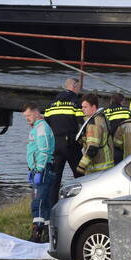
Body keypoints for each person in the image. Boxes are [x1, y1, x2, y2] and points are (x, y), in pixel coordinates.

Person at [44, 77, 85, 204]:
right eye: (79, 87)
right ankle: (81, 203)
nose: (79, 90)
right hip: (71, 144)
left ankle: (52, 207)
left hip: (55, 144)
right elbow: (81, 124)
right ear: (74, 86)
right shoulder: (75, 102)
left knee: (55, 178)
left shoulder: (51, 104)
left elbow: (46, 124)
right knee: (81, 176)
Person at [24, 104, 56, 243]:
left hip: (42, 170)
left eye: (29, 115)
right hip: (39, 169)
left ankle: (36, 234)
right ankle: (48, 236)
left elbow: (44, 150)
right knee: (45, 203)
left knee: (39, 203)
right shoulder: (37, 128)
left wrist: (38, 170)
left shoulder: (41, 128)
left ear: (37, 113)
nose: (27, 119)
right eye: (25, 116)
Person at [76, 92, 114, 176]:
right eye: (82, 107)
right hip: (106, 164)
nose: (82, 109)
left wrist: (82, 166)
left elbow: (92, 147)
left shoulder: (94, 123)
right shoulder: (102, 117)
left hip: (97, 167)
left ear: (93, 107)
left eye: (85, 107)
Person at [102, 93, 131, 163]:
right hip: (124, 145)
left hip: (109, 146)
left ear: (111, 101)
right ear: (122, 101)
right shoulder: (127, 111)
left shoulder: (105, 112)